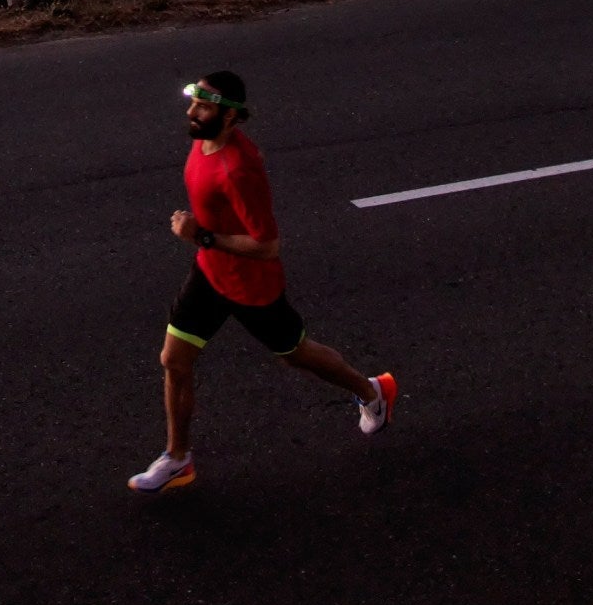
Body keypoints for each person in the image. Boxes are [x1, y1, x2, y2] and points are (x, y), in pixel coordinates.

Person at [129, 70, 397, 492]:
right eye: (194, 102)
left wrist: (200, 234)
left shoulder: (238, 170)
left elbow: (268, 245)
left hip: (252, 287)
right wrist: (205, 241)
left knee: (295, 355)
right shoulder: (204, 140)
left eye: (204, 106)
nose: (192, 112)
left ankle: (372, 391)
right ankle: (178, 458)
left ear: (231, 117)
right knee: (174, 361)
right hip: (210, 272)